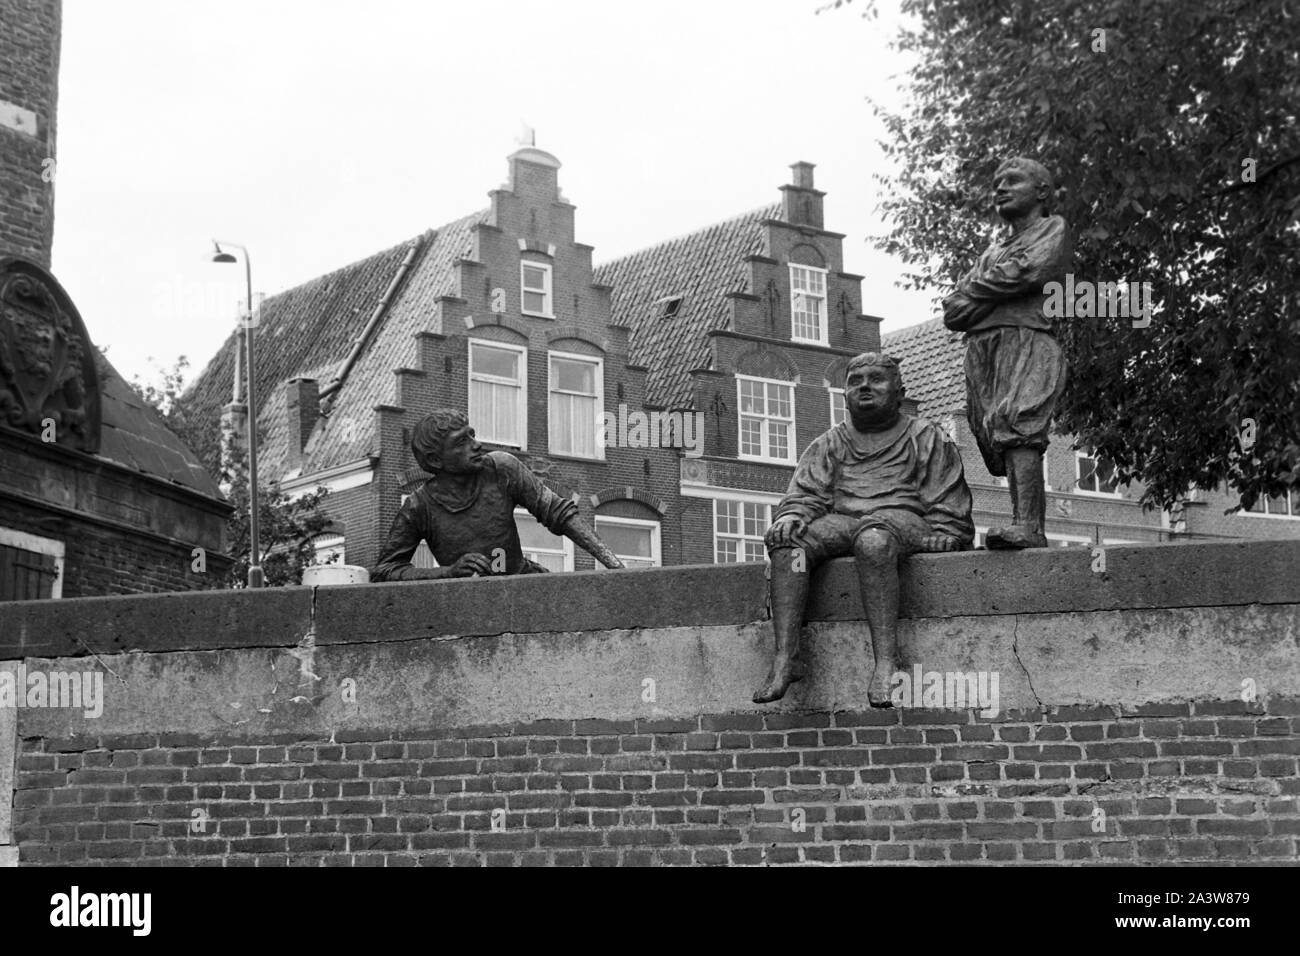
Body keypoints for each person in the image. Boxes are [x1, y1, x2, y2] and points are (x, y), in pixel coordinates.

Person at [754, 353, 974, 706]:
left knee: (873, 541)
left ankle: (888, 661)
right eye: (856, 381)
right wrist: (790, 517)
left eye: (876, 379)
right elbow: (806, 493)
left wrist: (946, 530)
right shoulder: (828, 443)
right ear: (845, 394)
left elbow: (946, 496)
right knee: (790, 546)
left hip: (902, 520)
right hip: (843, 521)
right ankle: (786, 657)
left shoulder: (926, 436)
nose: (865, 387)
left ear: (899, 392)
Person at [943, 156, 1072, 549]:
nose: (999, 188)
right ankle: (1024, 523)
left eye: (1012, 181)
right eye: (996, 182)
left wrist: (978, 293)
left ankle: (1028, 527)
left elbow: (1034, 271)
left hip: (1027, 339)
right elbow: (953, 311)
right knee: (991, 436)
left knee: (1019, 425)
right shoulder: (991, 252)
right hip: (983, 350)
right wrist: (996, 287)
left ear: (1042, 192)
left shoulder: (1053, 228)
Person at [371, 409, 625, 581]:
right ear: (435, 459)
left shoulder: (501, 468)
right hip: (467, 603)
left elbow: (559, 513)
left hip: (523, 583)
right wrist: (447, 573)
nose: (477, 444)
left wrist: (616, 567)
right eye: (461, 442)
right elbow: (384, 571)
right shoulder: (418, 507)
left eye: (472, 435)